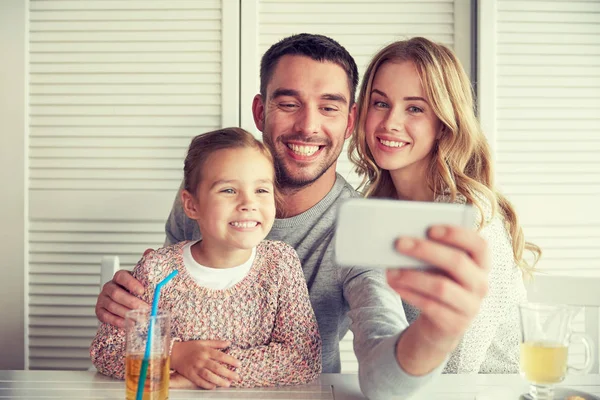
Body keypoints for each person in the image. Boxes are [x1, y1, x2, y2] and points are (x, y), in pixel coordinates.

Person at [95, 34, 490, 399]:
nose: (308, 126)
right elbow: (162, 314)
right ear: (260, 110)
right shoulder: (205, 202)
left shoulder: (354, 229)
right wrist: (127, 309)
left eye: (329, 107)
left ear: (350, 121)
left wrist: (435, 335)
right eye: (288, 104)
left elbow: (381, 367)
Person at [348, 37, 542, 373]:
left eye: (414, 108)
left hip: (495, 391)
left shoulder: (474, 218)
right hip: (413, 386)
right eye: (380, 103)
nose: (390, 122)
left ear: (443, 123)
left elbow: (460, 366)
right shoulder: (376, 206)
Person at [90, 128, 322, 388]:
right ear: (191, 205)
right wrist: (176, 354)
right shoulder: (157, 269)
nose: (248, 203)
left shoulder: (281, 264)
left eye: (261, 190)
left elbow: (301, 358)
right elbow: (107, 350)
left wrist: (198, 372)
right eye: (228, 190)